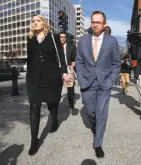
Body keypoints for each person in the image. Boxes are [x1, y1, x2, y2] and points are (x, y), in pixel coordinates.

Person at [75, 11, 121, 158]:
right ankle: (96, 126)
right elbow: (79, 61)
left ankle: (98, 144)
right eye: (93, 22)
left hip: (104, 83)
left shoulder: (112, 41)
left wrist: (110, 80)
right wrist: (81, 78)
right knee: (90, 112)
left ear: (104, 24)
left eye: (98, 22)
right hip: (87, 83)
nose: (94, 25)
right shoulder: (83, 40)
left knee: (101, 112)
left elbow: (116, 64)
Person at [26, 15, 69, 156]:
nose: (35, 23)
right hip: (34, 78)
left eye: (38, 21)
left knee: (52, 103)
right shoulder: (30, 39)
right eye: (33, 21)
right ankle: (34, 140)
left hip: (51, 77)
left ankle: (54, 120)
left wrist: (64, 72)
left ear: (44, 23)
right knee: (34, 105)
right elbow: (30, 58)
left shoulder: (53, 37)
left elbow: (61, 57)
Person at [59, 32, 77, 110]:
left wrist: (74, 61)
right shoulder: (56, 47)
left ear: (66, 38)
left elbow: (75, 56)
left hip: (68, 69)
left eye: (64, 37)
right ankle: (56, 104)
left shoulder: (71, 46)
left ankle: (71, 103)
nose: (62, 38)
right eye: (61, 37)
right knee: (57, 88)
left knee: (70, 89)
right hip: (58, 69)